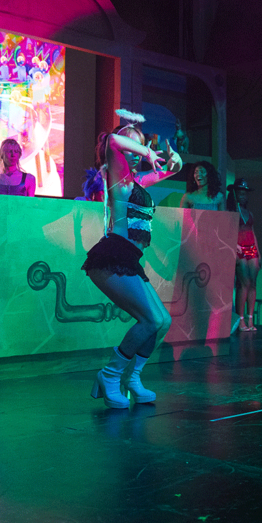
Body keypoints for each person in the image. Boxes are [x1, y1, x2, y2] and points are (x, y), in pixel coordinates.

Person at [83, 110, 182, 408]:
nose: (138, 152)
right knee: (150, 318)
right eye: (133, 146)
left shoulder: (136, 181)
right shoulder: (116, 176)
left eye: (140, 145)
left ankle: (133, 378)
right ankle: (110, 375)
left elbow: (170, 170)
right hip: (111, 257)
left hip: (129, 259)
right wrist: (144, 148)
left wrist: (175, 162)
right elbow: (113, 140)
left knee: (162, 321)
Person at [228, 179, 260, 331]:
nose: (243, 196)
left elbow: (252, 232)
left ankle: (250, 319)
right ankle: (240, 320)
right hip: (239, 249)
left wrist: (258, 253)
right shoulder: (231, 211)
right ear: (235, 194)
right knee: (244, 283)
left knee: (253, 283)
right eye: (240, 193)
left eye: (245, 194)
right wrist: (234, 245)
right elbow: (226, 231)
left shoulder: (250, 212)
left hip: (251, 248)